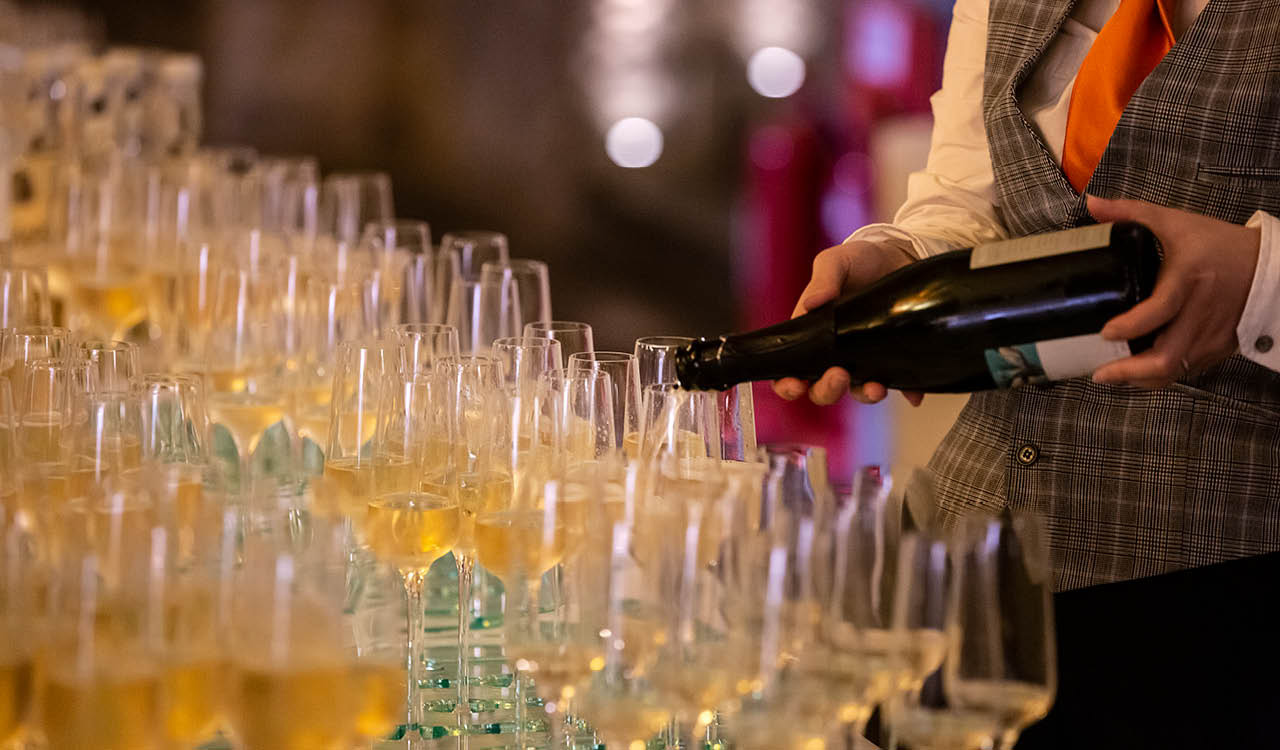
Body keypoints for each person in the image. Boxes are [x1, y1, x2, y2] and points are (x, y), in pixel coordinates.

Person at [775, 0, 1280, 590]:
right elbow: (970, 198)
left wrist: (1260, 278)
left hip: (1222, 530)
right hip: (973, 527)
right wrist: (899, 258)